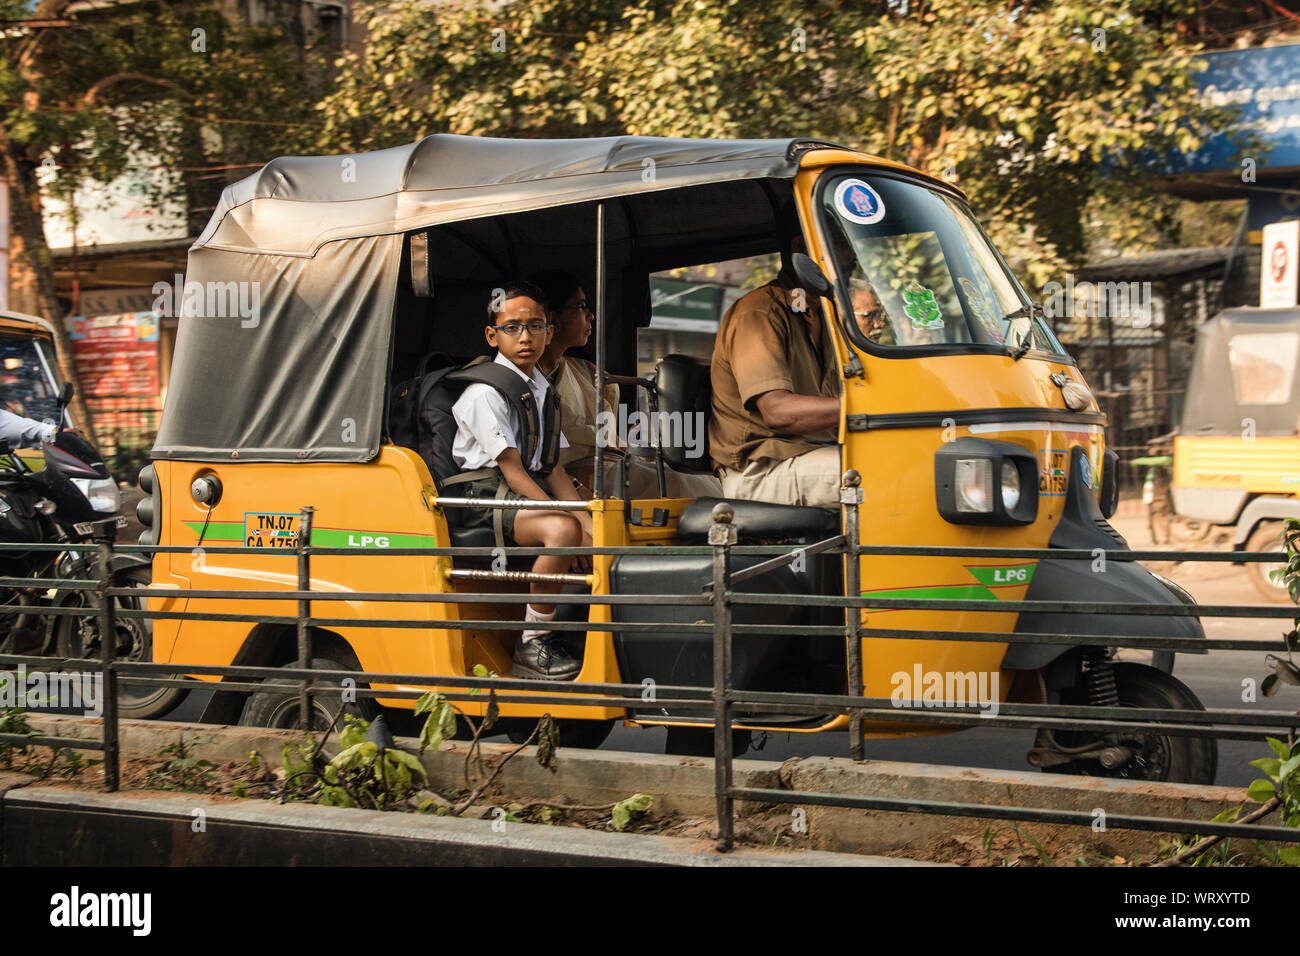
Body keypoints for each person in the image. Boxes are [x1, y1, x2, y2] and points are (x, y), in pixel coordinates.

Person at [450, 280, 592, 681]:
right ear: (492, 335)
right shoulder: (485, 393)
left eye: (535, 326)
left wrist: (589, 522)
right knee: (563, 530)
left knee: (598, 530)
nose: (525, 337)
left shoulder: (543, 389)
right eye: (512, 327)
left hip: (521, 493)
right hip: (483, 497)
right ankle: (532, 644)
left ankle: (575, 636)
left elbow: (552, 468)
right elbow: (513, 471)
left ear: (550, 332)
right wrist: (570, 523)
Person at [529, 269, 722, 499]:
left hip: (611, 464)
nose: (590, 315)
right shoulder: (523, 378)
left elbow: (608, 436)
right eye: (580, 307)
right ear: (553, 318)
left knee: (707, 480)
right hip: (566, 476)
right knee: (678, 485)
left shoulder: (588, 373)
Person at [708, 201, 842, 508]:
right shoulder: (759, 313)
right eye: (844, 247)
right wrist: (863, 406)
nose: (853, 262)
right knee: (884, 471)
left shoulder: (823, 314)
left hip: (813, 457)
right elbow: (778, 411)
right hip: (760, 471)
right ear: (800, 247)